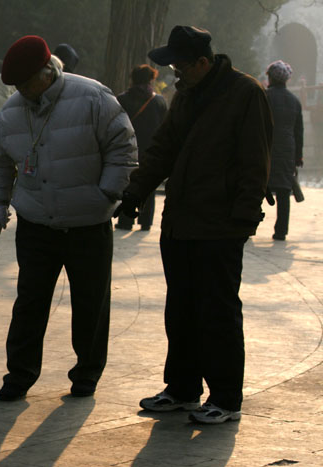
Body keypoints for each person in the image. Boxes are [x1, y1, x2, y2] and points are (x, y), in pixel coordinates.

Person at [115, 26, 272, 424]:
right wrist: (135, 192)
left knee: (217, 312)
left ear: (203, 62)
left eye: (181, 67)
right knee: (180, 308)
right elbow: (163, 148)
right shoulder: (185, 95)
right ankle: (182, 389)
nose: (175, 75)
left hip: (221, 225)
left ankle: (225, 398)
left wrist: (244, 216)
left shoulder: (245, 93)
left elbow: (255, 159)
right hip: (181, 221)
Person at [0, 35, 137, 401]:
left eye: (26, 83)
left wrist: (106, 194)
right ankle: (19, 375)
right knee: (30, 301)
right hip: (37, 222)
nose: (22, 91)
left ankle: (86, 373)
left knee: (91, 303)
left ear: (48, 71)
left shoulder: (94, 98)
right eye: (17, 86)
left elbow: (124, 147)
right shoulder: (12, 112)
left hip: (88, 223)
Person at [115, 65, 168, 231]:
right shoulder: (158, 101)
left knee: (127, 183)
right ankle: (146, 221)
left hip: (127, 148)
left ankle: (125, 220)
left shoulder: (122, 99)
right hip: (150, 150)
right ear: (151, 79)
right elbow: (164, 128)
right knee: (148, 183)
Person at [265, 60, 303, 241]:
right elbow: (299, 131)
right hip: (287, 149)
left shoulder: (264, 96)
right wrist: (298, 157)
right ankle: (281, 231)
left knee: (255, 186)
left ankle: (248, 224)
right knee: (283, 191)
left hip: (265, 147)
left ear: (271, 77)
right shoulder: (294, 101)